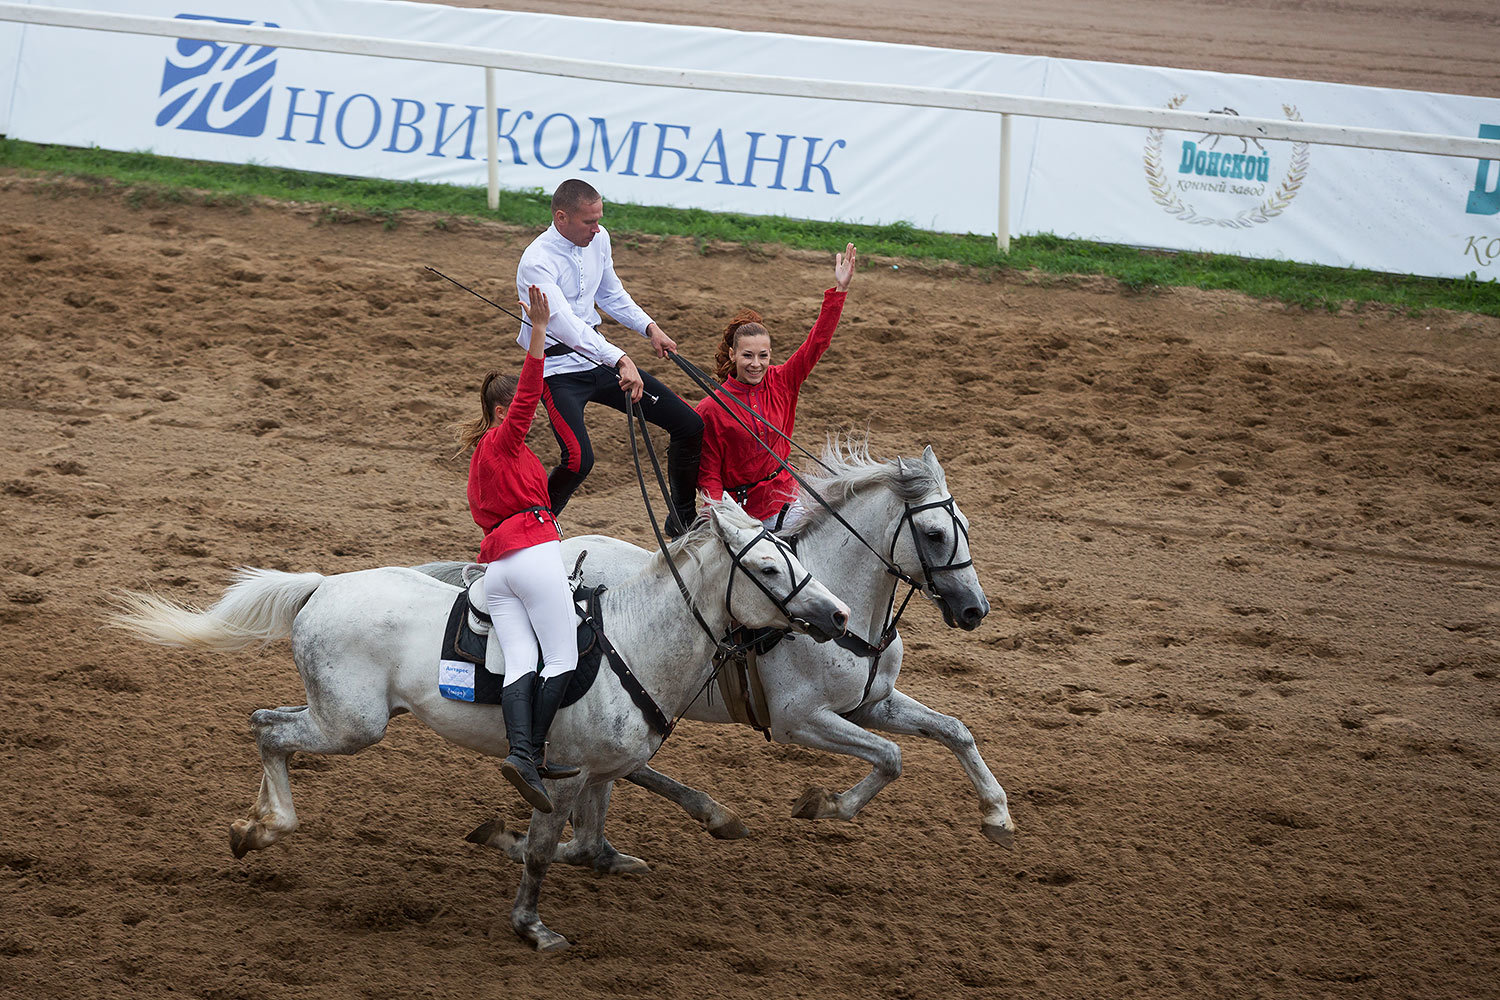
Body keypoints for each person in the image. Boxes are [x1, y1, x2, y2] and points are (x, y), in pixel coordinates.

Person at [516, 178, 704, 535]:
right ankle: (530, 530)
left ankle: (682, 521)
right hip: (556, 371)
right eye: (589, 221)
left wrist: (650, 328)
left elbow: (612, 293)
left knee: (690, 425)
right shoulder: (535, 262)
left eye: (599, 218)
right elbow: (567, 326)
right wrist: (619, 358)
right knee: (579, 460)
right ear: (561, 218)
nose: (597, 228)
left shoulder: (598, 240)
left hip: (598, 359)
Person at [461, 285, 580, 815]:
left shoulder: (483, 458)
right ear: (504, 411)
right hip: (531, 556)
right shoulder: (505, 439)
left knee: (522, 661)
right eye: (519, 414)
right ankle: (530, 751)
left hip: (497, 571)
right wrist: (537, 331)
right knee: (563, 655)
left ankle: (523, 757)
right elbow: (531, 390)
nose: (527, 421)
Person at [697, 243, 857, 532]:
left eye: (763, 356)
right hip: (741, 518)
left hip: (788, 500)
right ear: (733, 355)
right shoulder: (711, 409)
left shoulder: (783, 380)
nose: (756, 364)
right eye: (747, 356)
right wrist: (715, 520)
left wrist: (839, 292)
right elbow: (708, 476)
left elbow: (816, 344)